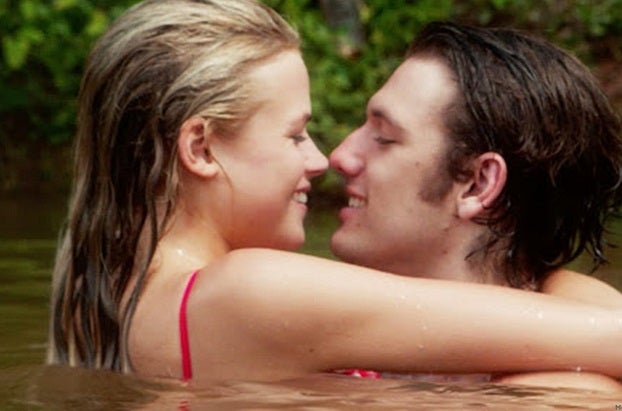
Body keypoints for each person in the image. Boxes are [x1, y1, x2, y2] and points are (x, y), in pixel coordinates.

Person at [47, 0, 622, 383]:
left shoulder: (111, 294)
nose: (325, 158)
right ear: (199, 148)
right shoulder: (249, 291)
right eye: (295, 134)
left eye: (384, 137)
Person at [329, 21, 622, 389]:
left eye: (384, 138)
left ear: (478, 183)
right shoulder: (309, 321)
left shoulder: (564, 393)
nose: (339, 156)